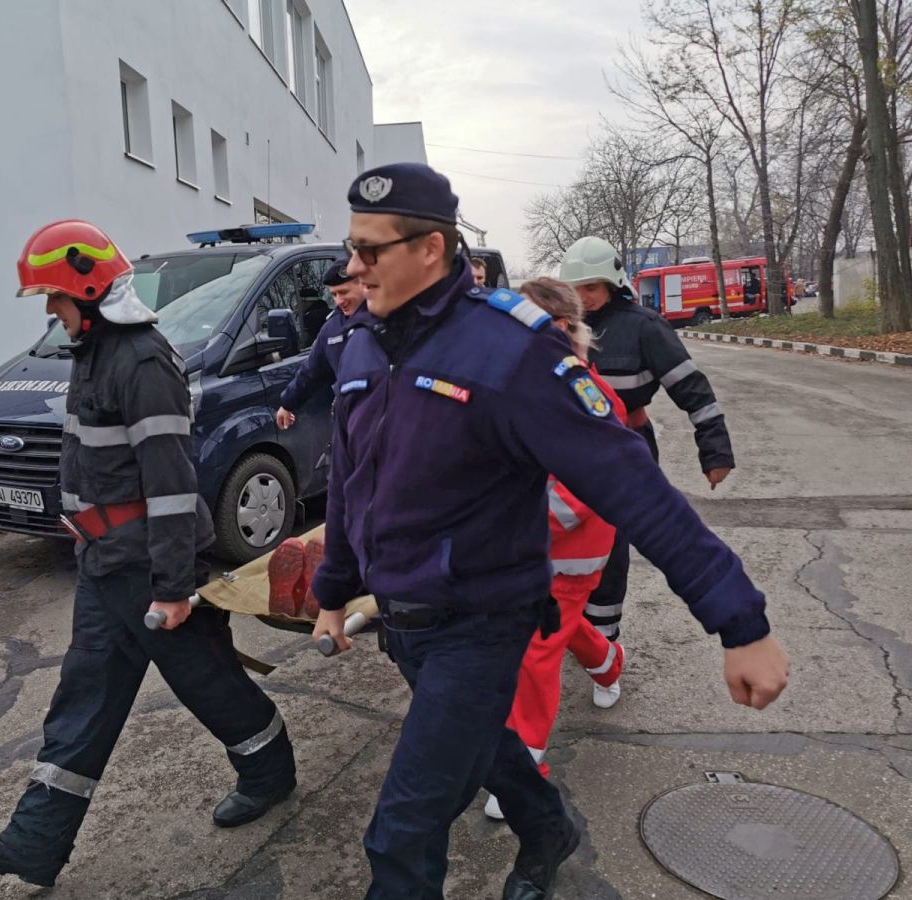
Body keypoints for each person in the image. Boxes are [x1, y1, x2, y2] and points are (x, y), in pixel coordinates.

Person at [309, 164, 788, 900]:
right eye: (352, 247)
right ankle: (547, 828)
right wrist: (333, 590)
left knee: (401, 831)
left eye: (370, 250)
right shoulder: (364, 343)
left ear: (431, 248)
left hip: (483, 619)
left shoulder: (511, 351)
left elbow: (634, 488)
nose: (353, 267)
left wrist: (740, 621)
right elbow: (350, 480)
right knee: (483, 742)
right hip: (404, 618)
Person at [0, 220, 296, 888]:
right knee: (84, 696)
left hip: (146, 564)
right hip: (105, 561)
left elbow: (172, 484)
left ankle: (269, 770)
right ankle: (34, 844)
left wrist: (172, 586)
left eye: (54, 296)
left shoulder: (142, 362)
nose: (51, 312)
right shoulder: (93, 353)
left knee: (206, 681)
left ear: (86, 291)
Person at [561, 236, 736, 708]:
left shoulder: (644, 327)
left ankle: (603, 643)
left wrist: (715, 450)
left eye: (593, 287)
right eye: (576, 289)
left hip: (625, 450)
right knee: (563, 548)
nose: (584, 298)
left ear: (613, 283)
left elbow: (693, 390)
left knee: (610, 548)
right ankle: (572, 632)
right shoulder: (558, 327)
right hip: (566, 455)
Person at [483, 278, 627, 822]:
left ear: (561, 329)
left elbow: (581, 489)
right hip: (532, 549)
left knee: (536, 647)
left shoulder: (589, 395)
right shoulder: (530, 384)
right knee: (560, 628)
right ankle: (608, 663)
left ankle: (525, 769)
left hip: (571, 552)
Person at [275, 256, 371, 431]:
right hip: (349, 421)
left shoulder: (385, 319)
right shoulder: (332, 328)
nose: (339, 301)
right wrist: (287, 404)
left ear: (363, 285)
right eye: (334, 294)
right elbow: (311, 371)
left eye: (344, 292)